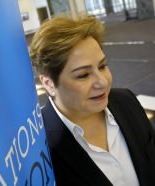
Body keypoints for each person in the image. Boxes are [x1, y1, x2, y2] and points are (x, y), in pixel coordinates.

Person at [29, 16, 155, 186]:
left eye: (102, 66)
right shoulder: (39, 144)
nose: (102, 81)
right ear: (49, 83)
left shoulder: (126, 101)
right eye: (83, 75)